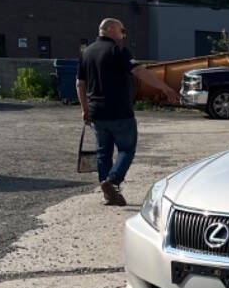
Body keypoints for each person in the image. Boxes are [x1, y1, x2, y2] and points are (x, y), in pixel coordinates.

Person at [76, 18, 179, 205]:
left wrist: (84, 109)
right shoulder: (118, 50)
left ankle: (109, 194)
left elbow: (80, 84)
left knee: (103, 153)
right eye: (122, 30)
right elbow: (140, 71)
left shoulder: (87, 53)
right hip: (120, 111)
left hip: (96, 112)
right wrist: (165, 88)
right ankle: (112, 181)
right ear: (109, 29)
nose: (123, 35)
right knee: (126, 149)